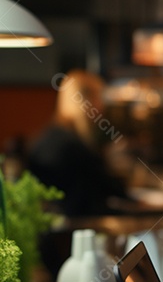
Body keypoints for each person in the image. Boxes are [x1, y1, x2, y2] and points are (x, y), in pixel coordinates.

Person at [26, 69, 127, 216]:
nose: (102, 108)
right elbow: (109, 189)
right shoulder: (72, 146)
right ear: (86, 101)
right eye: (99, 99)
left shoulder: (50, 136)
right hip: (73, 228)